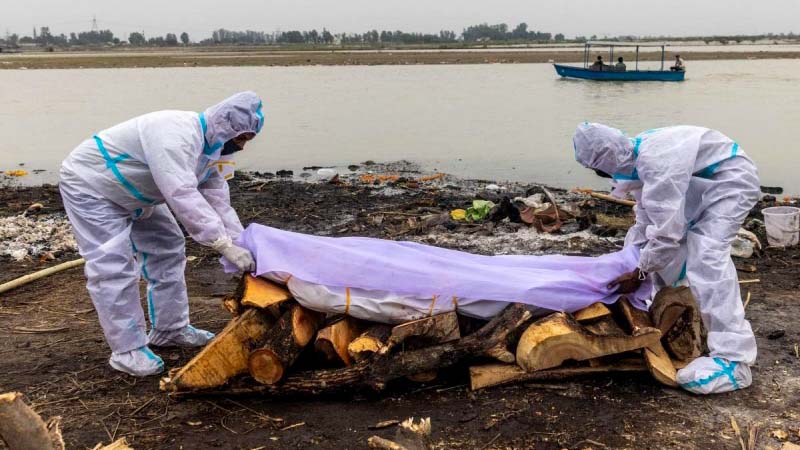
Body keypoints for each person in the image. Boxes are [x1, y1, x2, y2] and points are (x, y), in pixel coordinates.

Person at [59, 92, 265, 377]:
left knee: (168, 245)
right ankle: (127, 349)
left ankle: (170, 329)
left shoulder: (215, 149)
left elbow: (217, 198)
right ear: (225, 125)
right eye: (241, 137)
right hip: (93, 187)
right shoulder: (176, 133)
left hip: (139, 193)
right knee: (113, 265)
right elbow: (180, 192)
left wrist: (241, 242)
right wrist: (222, 244)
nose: (241, 146)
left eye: (248, 140)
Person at [573, 122, 760, 395]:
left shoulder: (657, 161)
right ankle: (678, 308)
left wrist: (639, 273)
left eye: (598, 169)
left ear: (607, 158)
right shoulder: (637, 160)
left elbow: (666, 234)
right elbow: (647, 222)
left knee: (706, 253)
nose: (601, 174)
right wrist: (629, 261)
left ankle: (735, 359)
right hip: (702, 181)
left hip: (730, 180)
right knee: (669, 249)